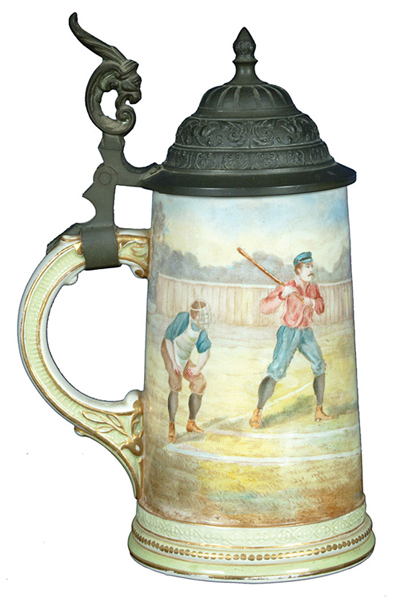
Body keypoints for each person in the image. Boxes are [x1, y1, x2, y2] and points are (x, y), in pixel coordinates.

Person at [250, 252, 331, 429]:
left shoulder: (313, 288)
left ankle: (319, 410)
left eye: (312, 266)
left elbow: (321, 307)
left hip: (306, 333)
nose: (311, 270)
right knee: (276, 370)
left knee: (319, 365)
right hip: (289, 333)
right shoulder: (287, 286)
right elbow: (264, 307)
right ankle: (258, 411)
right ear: (298, 270)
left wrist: (312, 302)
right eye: (307, 267)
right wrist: (282, 295)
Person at [161, 299, 212, 442]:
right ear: (196, 316)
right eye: (203, 315)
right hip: (170, 351)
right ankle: (171, 425)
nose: (206, 318)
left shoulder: (201, 330)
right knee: (175, 383)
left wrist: (197, 368)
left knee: (200, 382)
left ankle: (191, 423)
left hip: (183, 357)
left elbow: (205, 352)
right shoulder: (183, 319)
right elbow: (168, 339)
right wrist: (174, 362)